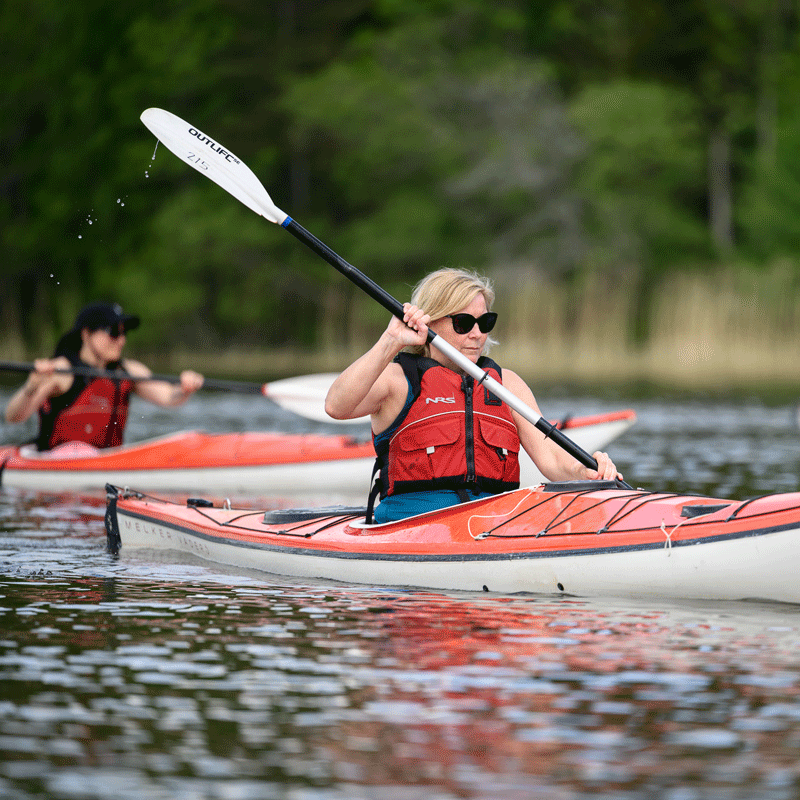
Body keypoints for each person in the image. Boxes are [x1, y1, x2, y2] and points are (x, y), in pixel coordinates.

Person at [325, 268, 621, 523]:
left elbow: (553, 461)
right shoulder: (397, 380)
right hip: (412, 525)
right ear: (428, 323)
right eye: (463, 323)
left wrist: (587, 470)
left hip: (493, 522)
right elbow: (336, 406)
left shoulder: (508, 384)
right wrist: (391, 340)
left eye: (485, 322)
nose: (477, 333)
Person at [4, 302, 204, 451]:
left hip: (107, 461)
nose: (121, 340)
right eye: (113, 332)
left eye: (124, 333)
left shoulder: (128, 371)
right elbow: (14, 417)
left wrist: (185, 388)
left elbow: (169, 397)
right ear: (86, 334)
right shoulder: (61, 371)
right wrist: (30, 387)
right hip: (58, 462)